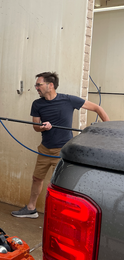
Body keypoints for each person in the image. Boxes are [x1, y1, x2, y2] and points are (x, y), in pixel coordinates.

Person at [11, 71, 110, 218]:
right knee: (37, 178)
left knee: (59, 185)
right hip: (44, 149)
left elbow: (97, 108)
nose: (36, 87)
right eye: (36, 85)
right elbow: (35, 126)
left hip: (62, 151)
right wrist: (42, 127)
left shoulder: (68, 100)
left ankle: (59, 214)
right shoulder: (37, 104)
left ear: (50, 85)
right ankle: (31, 209)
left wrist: (109, 129)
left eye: (39, 84)